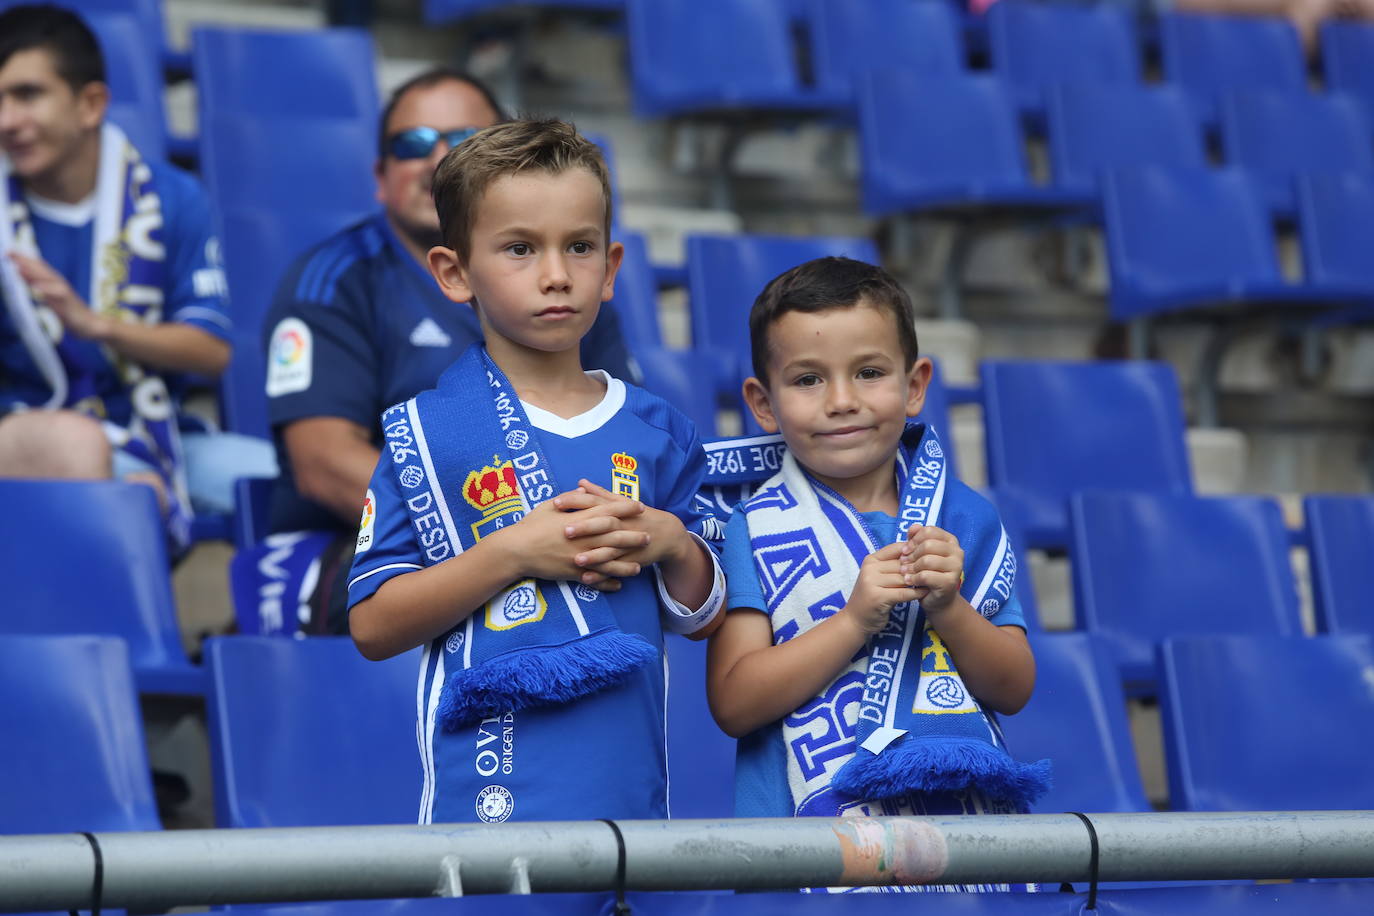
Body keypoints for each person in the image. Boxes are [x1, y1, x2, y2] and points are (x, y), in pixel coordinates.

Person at [346, 118, 725, 824]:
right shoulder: (426, 433)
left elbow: (703, 617)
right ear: (454, 274)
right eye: (519, 249)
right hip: (488, 796)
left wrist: (672, 542)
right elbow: (372, 625)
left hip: (628, 797)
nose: (556, 275)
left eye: (579, 247)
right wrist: (512, 552)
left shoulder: (657, 428)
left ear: (611, 269)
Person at [705, 258, 1048, 889]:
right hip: (807, 847)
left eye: (869, 373)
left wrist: (950, 609)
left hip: (963, 841)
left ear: (916, 385)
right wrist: (855, 621)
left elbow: (1014, 686)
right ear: (763, 402)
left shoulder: (962, 517)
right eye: (808, 379)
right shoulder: (752, 526)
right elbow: (733, 701)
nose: (842, 401)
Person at [254, 68, 633, 634]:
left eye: (461, 141)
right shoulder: (332, 280)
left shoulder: (569, 292)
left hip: (547, 541)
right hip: (360, 548)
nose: (435, 159)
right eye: (410, 145)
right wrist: (499, 535)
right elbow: (324, 466)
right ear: (380, 177)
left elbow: (622, 440)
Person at [0, 3, 273, 551]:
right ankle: (126, 633)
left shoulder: (171, 198)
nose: (7, 120)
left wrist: (95, 325)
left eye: (27, 94)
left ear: (91, 103)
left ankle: (273, 619)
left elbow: (209, 351)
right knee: (127, 486)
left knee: (288, 476)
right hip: (30, 431)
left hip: (158, 431)